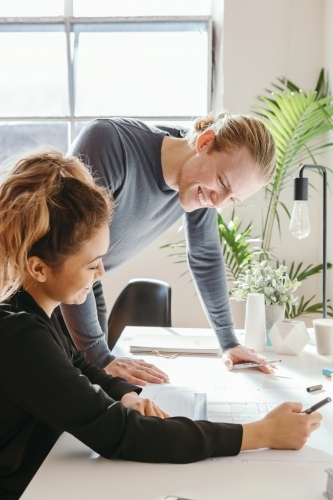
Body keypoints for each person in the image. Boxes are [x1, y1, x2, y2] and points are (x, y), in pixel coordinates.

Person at [0, 149, 322, 500]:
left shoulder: (30, 307)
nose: (101, 274)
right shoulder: (18, 335)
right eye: (92, 265)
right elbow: (119, 435)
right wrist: (262, 434)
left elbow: (73, 363)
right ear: (39, 267)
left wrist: (126, 394)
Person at [61, 112, 277, 385]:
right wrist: (100, 357)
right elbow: (71, 251)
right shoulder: (110, 142)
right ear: (205, 142)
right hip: (34, 290)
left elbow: (205, 257)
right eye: (222, 182)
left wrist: (229, 342)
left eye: (231, 198)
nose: (218, 202)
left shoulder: (199, 184)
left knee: (97, 396)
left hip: (85, 286)